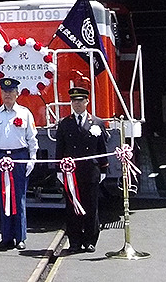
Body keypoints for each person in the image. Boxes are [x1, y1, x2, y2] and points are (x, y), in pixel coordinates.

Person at [0, 77, 38, 250]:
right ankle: (6, 237)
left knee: (19, 197)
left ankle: (20, 237)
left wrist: (32, 158)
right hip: (0, 158)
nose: (7, 95)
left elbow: (32, 138)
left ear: (17, 93)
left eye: (11, 92)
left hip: (19, 157)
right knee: (3, 197)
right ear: (1, 93)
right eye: (5, 92)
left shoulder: (24, 113)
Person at [55, 86, 109, 253]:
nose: (77, 104)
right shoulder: (65, 123)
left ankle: (90, 240)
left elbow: (102, 148)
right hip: (71, 173)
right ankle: (75, 241)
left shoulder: (97, 123)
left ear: (87, 101)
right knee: (72, 208)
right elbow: (60, 147)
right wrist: (59, 169)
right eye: (73, 101)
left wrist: (104, 169)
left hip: (91, 171)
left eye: (80, 101)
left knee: (91, 207)